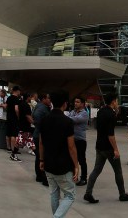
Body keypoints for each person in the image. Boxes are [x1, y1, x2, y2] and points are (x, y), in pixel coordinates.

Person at [84, 93, 128, 203]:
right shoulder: (111, 115)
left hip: (99, 146)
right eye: (116, 101)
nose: (117, 103)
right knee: (118, 171)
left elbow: (99, 128)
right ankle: (122, 194)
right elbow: (110, 135)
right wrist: (116, 149)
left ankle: (88, 193)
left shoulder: (101, 111)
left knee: (96, 170)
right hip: (108, 148)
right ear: (113, 101)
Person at [38, 90, 79, 218]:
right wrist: (76, 165)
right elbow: (71, 147)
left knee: (54, 193)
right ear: (65, 104)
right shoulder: (67, 122)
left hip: (48, 163)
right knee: (70, 195)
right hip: (63, 165)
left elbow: (41, 142)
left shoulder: (44, 120)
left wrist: (41, 160)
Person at [68, 96, 89, 186]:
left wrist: (66, 118)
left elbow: (74, 120)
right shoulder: (73, 111)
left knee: (81, 159)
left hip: (80, 140)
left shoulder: (84, 113)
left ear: (83, 104)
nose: (75, 103)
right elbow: (69, 118)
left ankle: (83, 178)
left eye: (78, 102)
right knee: (71, 158)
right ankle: (73, 176)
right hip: (72, 139)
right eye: (75, 102)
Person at [33, 93, 51, 185]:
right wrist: (42, 127)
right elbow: (36, 116)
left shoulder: (40, 106)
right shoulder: (42, 108)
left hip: (38, 133)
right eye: (48, 98)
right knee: (41, 157)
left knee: (39, 156)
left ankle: (39, 176)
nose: (50, 100)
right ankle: (42, 177)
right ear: (44, 99)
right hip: (40, 135)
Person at [6, 86, 22, 161]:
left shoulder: (9, 98)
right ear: (17, 91)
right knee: (13, 134)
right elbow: (16, 109)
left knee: (8, 133)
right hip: (14, 118)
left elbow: (6, 106)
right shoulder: (16, 99)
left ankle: (8, 147)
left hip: (8, 117)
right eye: (19, 91)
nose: (20, 92)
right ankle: (13, 150)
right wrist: (18, 116)